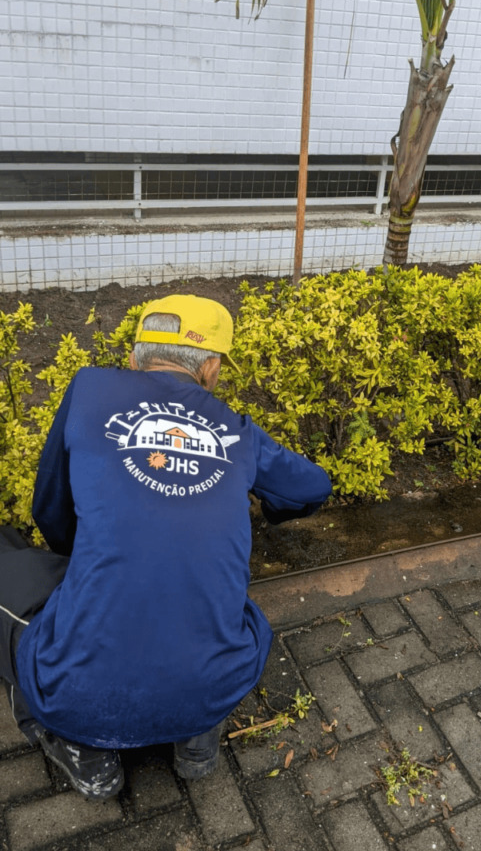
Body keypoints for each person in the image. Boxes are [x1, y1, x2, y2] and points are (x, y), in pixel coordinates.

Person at [0, 294, 331, 800]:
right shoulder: (237, 431)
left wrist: (84, 558)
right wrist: (272, 509)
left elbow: (50, 504)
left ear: (136, 357)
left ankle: (85, 752)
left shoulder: (89, 388)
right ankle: (197, 737)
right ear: (211, 367)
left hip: (78, 693)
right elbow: (312, 487)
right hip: (215, 684)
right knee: (231, 612)